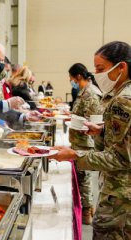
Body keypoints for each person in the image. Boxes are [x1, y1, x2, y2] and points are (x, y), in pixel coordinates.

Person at [50, 41, 131, 239]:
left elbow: (120, 158)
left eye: (100, 68)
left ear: (121, 67)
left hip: (120, 197)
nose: (95, 74)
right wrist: (102, 131)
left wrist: (75, 155)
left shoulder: (123, 100)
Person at [68, 63, 103, 225]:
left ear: (79, 76)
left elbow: (94, 120)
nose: (71, 81)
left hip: (86, 141)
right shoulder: (84, 91)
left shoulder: (90, 93)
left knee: (84, 178)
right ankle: (86, 208)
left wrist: (75, 121)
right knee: (82, 177)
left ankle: (87, 211)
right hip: (79, 140)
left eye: (71, 78)